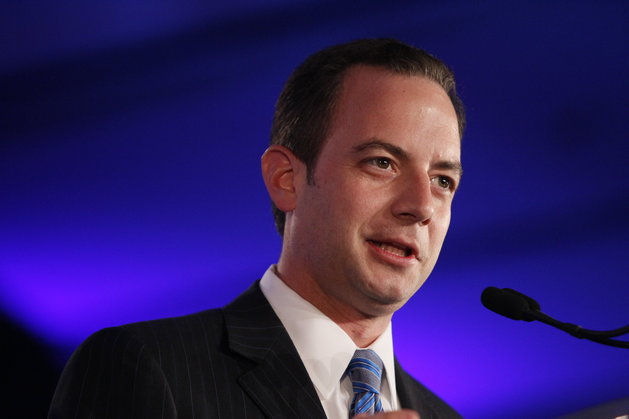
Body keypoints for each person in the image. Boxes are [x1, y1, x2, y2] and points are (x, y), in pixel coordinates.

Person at [49, 38, 464, 419]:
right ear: (286, 178)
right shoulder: (146, 366)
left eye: (442, 181)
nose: (421, 206)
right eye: (382, 162)